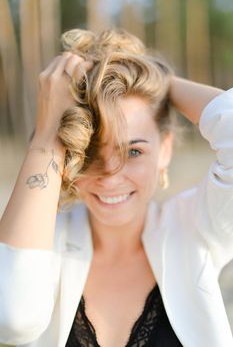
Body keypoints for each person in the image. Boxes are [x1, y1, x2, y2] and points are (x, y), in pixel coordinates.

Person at [0, 28, 232, 347]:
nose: (110, 175)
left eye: (133, 151)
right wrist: (47, 131)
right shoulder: (43, 243)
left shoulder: (194, 230)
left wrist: (159, 79)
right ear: (68, 156)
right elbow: (13, 320)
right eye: (90, 151)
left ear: (165, 149)